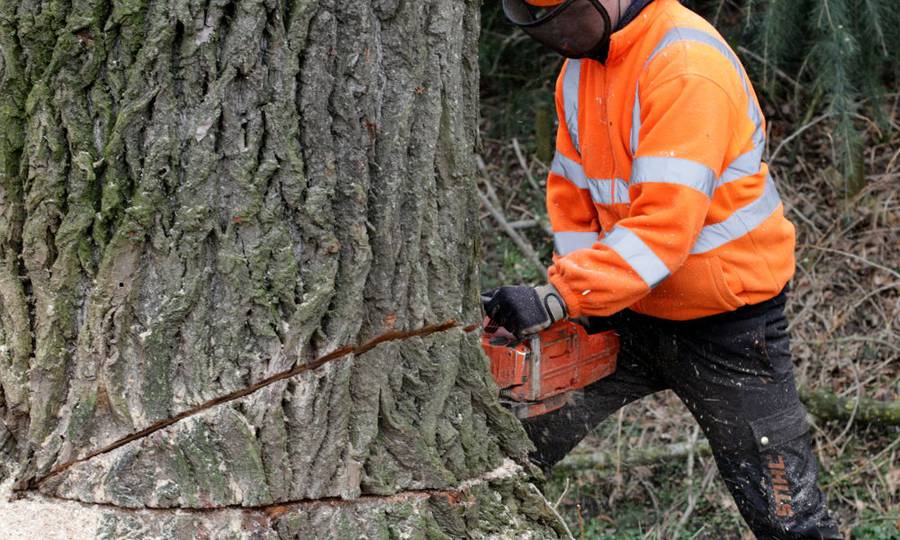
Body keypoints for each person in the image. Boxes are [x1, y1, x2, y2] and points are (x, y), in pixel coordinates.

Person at [483, 1, 843, 538]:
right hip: (622, 313)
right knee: (509, 449)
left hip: (729, 327)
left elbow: (665, 227)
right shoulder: (580, 71)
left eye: (562, 14)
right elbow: (574, 197)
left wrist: (558, 296)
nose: (556, 33)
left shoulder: (684, 65)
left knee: (787, 513)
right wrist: (570, 300)